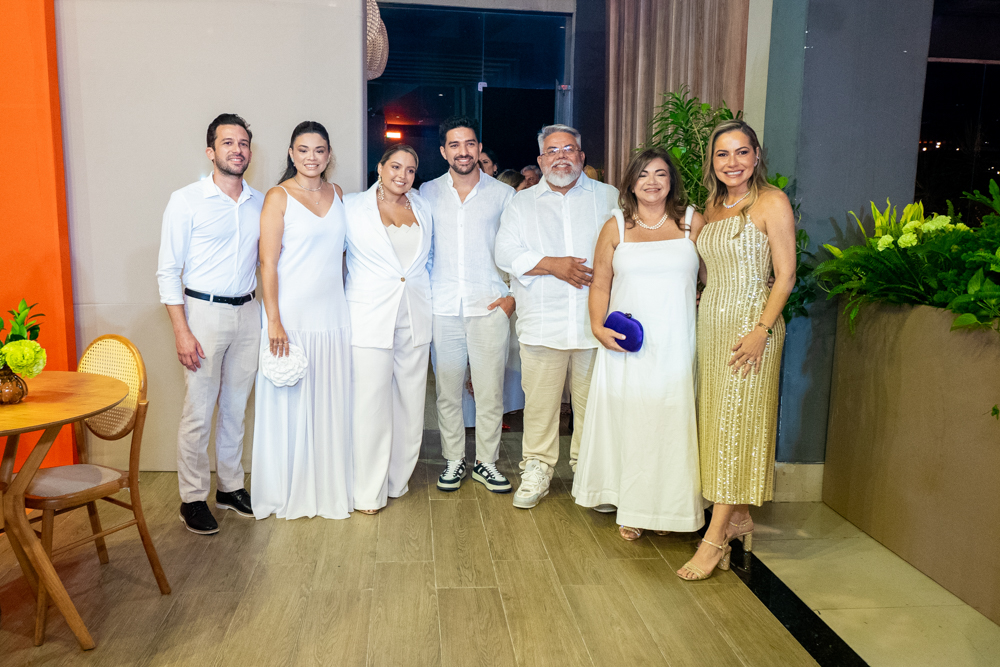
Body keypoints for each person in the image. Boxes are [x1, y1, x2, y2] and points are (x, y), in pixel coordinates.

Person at [677, 119, 795, 580]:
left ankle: (714, 538)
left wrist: (761, 329)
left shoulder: (772, 201)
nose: (733, 162)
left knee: (736, 426)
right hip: (712, 326)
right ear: (712, 161)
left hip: (752, 330)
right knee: (718, 425)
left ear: (756, 155)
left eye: (742, 152)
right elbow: (711, 271)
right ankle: (738, 516)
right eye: (722, 154)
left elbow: (785, 275)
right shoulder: (712, 205)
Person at [572, 147, 705, 540]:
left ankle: (668, 509)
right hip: (628, 346)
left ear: (671, 181)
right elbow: (600, 283)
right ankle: (633, 506)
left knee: (670, 421)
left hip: (677, 343)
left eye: (660, 174)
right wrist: (597, 327)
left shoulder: (692, 222)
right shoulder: (615, 225)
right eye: (643, 174)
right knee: (632, 421)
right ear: (630, 182)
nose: (652, 182)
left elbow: (715, 274)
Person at [495, 124, 619, 509]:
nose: (561, 156)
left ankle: (590, 476)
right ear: (540, 159)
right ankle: (537, 469)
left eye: (568, 149)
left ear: (581, 156)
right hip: (542, 322)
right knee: (540, 408)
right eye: (552, 150)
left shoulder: (609, 197)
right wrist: (553, 264)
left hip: (594, 324)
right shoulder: (522, 203)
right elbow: (505, 253)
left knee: (593, 407)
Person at [157, 113, 261, 535]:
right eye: (228, 142)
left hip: (249, 313)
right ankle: (193, 498)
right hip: (202, 314)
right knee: (198, 411)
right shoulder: (186, 200)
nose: (237, 150)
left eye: (243, 143)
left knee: (236, 408)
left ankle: (230, 487)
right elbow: (168, 271)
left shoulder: (260, 202)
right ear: (210, 151)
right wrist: (181, 330)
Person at [251, 121, 353, 520]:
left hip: (334, 315)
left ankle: (327, 486)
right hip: (291, 317)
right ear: (292, 154)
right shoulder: (278, 196)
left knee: (330, 403)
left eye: (319, 150)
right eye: (304, 149)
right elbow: (267, 263)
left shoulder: (338, 194)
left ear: (329, 155)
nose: (312, 157)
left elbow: (342, 259)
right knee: (290, 406)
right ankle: (287, 489)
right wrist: (274, 320)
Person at [420, 116, 515, 494]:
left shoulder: (503, 195)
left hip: (489, 307)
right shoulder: (426, 192)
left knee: (490, 392)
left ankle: (486, 462)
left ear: (479, 148)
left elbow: (516, 249)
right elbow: (422, 250)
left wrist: (512, 298)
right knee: (447, 391)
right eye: (455, 145)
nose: (463, 151)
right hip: (442, 307)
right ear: (444, 151)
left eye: (470, 143)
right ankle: (454, 459)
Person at [345, 145, 433, 514]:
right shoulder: (351, 207)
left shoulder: (423, 207)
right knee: (370, 405)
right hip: (369, 316)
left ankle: (397, 480)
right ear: (380, 168)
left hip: (415, 314)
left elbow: (427, 261)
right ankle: (368, 490)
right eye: (396, 166)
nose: (403, 175)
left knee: (411, 404)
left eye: (410, 169)